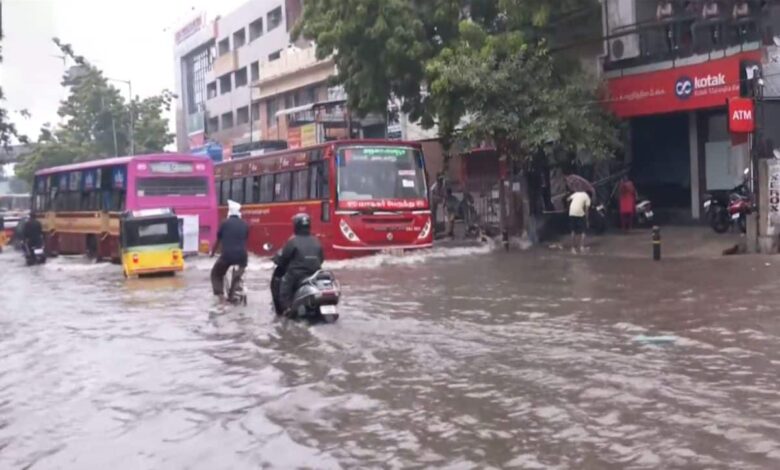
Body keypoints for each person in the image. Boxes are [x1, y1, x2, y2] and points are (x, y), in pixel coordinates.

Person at [274, 213, 324, 314]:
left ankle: (286, 308)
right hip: (315, 273)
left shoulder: (292, 241)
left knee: (285, 282)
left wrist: (278, 261)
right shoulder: (316, 241)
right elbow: (322, 258)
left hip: (297, 274)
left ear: (296, 226)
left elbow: (284, 259)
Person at [210, 200, 249, 300]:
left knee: (216, 274)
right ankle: (235, 288)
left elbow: (218, 240)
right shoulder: (245, 224)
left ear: (229, 212)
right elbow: (245, 239)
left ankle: (220, 296)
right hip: (242, 257)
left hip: (227, 256)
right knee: (237, 275)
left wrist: (212, 253)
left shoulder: (224, 223)